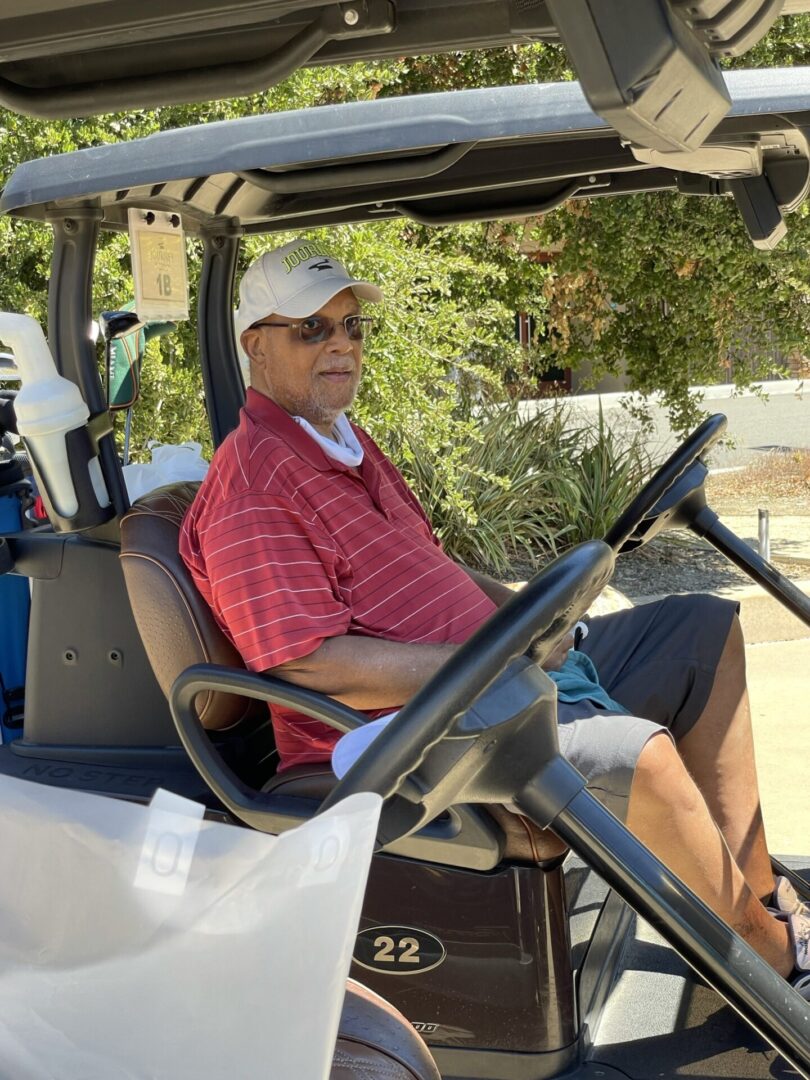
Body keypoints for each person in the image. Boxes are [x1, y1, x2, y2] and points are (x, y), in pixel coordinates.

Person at [180, 238, 810, 992]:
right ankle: (778, 966)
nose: (341, 345)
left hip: (485, 682)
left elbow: (434, 562)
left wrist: (533, 621)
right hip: (401, 737)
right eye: (312, 329)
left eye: (352, 327)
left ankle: (757, 907)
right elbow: (310, 665)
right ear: (256, 345)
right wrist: (498, 663)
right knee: (635, 752)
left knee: (702, 629)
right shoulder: (255, 485)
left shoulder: (338, 441)